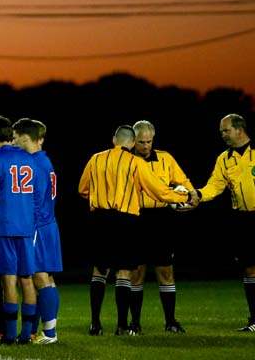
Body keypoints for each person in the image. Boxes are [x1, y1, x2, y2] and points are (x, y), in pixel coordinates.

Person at [188, 114, 255, 333]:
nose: (222, 135)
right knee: (250, 268)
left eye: (225, 130)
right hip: (244, 221)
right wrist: (198, 194)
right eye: (221, 131)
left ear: (239, 129)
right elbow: (215, 186)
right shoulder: (224, 159)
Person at [77, 125, 191, 336]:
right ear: (132, 143)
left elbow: (82, 189)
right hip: (126, 220)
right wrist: (186, 197)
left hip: (100, 220)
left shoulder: (95, 159)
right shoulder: (136, 163)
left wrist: (99, 197)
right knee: (124, 272)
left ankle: (95, 324)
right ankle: (122, 325)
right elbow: (159, 192)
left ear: (114, 139)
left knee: (99, 271)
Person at [128, 120, 191, 334]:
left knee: (165, 270)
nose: (146, 146)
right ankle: (135, 324)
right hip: (135, 219)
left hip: (162, 219)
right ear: (133, 140)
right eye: (141, 142)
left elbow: (183, 181)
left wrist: (190, 196)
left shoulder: (165, 158)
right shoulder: (126, 160)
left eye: (149, 141)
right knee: (136, 273)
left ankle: (171, 321)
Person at [0, 115, 39, 344]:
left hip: (4, 226)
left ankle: (9, 333)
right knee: (27, 280)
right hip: (26, 226)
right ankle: (27, 333)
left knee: (8, 280)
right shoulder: (29, 158)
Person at [12, 118, 61, 344]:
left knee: (40, 278)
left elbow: (34, 199)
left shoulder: (35, 164)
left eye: (15, 138)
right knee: (46, 279)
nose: (12, 142)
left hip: (39, 226)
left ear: (24, 137)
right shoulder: (44, 161)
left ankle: (50, 333)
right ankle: (45, 331)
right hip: (48, 224)